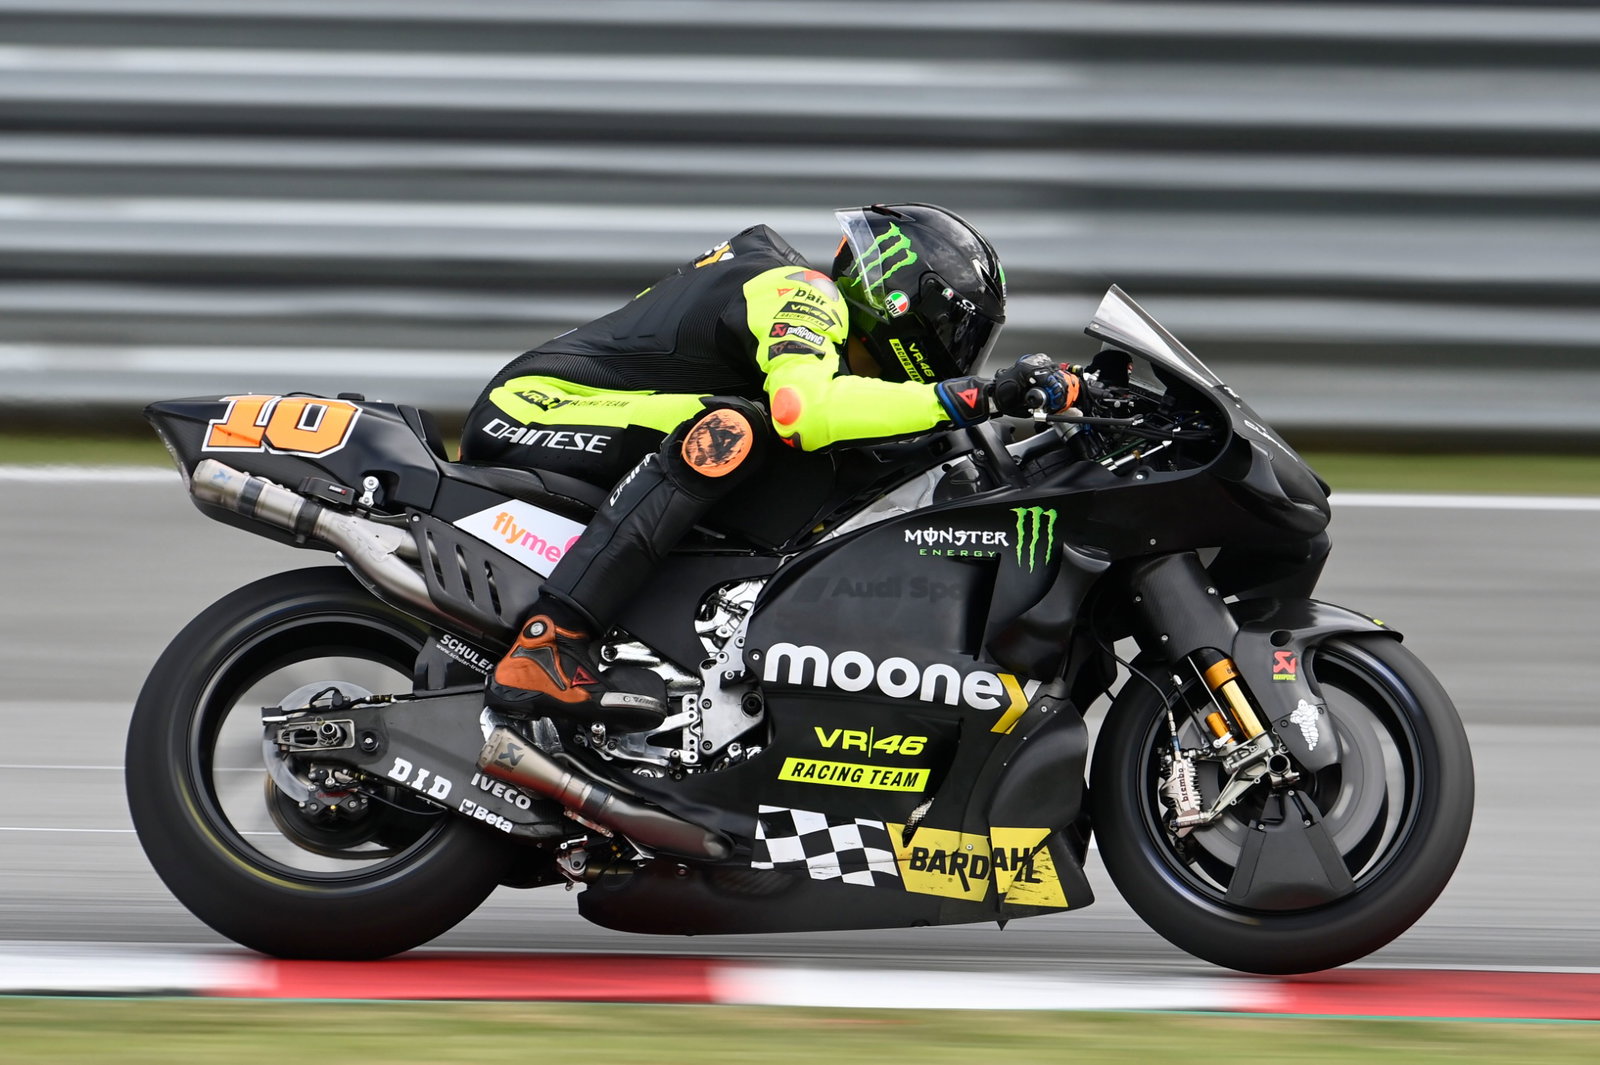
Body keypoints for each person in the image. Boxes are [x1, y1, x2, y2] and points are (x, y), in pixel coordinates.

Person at [460, 203, 1078, 732]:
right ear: (909, 302)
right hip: (538, 406)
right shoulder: (802, 292)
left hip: (608, 418)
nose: (959, 354)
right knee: (739, 430)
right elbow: (801, 412)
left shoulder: (816, 323)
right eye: (957, 333)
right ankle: (548, 643)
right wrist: (975, 395)